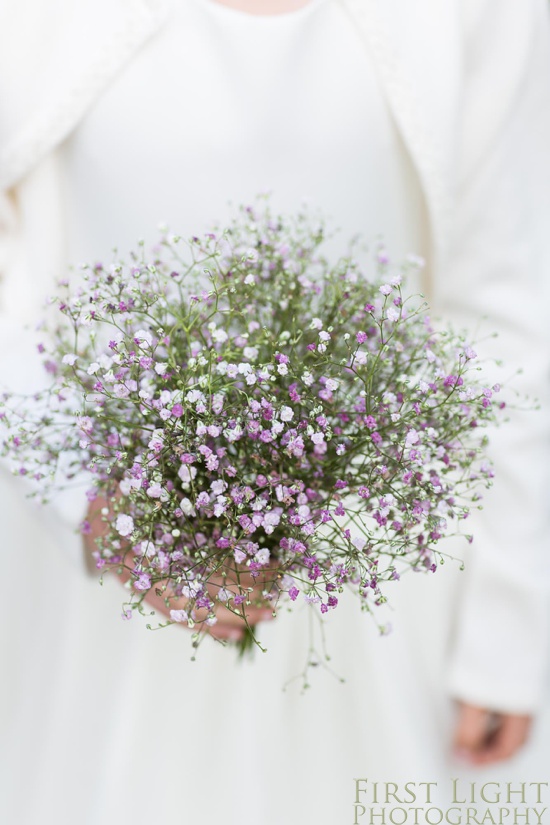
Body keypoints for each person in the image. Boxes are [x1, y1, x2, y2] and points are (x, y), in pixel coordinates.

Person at [1, 1, 550, 823]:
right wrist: (88, 501)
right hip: (95, 592)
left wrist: (510, 628)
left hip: (379, 605)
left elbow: (504, 296)